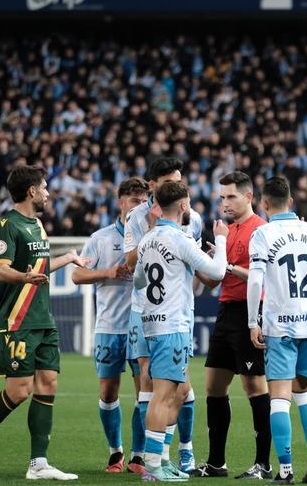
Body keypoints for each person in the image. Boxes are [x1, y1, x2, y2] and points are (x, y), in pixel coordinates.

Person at [0, 165, 88, 480]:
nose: (47, 193)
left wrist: (68, 258)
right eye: (44, 187)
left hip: (43, 318)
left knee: (48, 385)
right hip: (18, 320)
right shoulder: (8, 225)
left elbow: (40, 268)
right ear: (31, 191)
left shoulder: (38, 225)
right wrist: (25, 277)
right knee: (18, 391)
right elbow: (2, 270)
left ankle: (38, 464)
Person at [132, 180, 229, 481]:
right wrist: (222, 241)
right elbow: (216, 272)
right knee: (163, 395)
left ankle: (159, 459)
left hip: (152, 321)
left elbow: (137, 281)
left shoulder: (147, 239)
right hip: (172, 323)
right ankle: (152, 466)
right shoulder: (180, 239)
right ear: (184, 205)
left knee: (176, 391)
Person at [247, 176, 307, 484]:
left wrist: (251, 323)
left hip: (280, 324)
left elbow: (255, 281)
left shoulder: (262, 234)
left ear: (264, 203)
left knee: (280, 398)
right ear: (292, 202)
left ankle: (285, 470)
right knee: (304, 393)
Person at [124, 158, 203, 474]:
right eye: (171, 180)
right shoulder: (136, 217)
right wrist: (157, 229)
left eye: (180, 180)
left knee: (181, 387)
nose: (179, 186)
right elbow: (131, 262)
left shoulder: (193, 217)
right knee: (148, 379)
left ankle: (184, 450)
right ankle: (153, 458)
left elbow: (196, 262)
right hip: (143, 309)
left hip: (179, 311)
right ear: (152, 185)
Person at [192, 172, 273, 479]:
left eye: (231, 197)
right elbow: (214, 280)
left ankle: (263, 465)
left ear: (248, 197)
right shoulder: (228, 231)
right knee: (213, 386)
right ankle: (216, 463)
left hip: (251, 313)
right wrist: (199, 262)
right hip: (226, 311)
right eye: (222, 197)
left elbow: (259, 277)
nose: (224, 202)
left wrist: (226, 264)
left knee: (254, 386)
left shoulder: (260, 230)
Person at [72, 177, 149, 472]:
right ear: (121, 203)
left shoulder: (153, 237)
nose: (139, 206)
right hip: (108, 326)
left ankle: (138, 455)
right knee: (108, 392)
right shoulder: (101, 238)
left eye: (144, 201)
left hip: (142, 327)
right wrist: (108, 271)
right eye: (134, 201)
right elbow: (77, 276)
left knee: (144, 392)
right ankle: (115, 452)